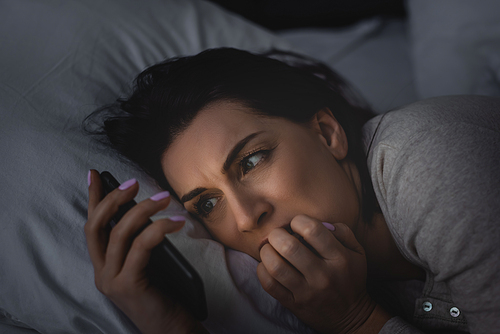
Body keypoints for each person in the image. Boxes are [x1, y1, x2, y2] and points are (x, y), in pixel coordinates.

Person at [84, 47, 500, 334]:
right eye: (209, 203)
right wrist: (173, 327)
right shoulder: (322, 287)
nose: (247, 218)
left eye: (251, 161)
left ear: (327, 133)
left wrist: (355, 322)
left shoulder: (428, 163)